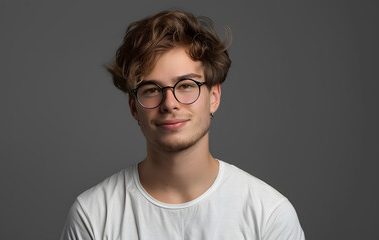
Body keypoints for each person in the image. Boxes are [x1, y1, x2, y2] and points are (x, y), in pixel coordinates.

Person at [60, 10, 305, 240]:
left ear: (214, 97)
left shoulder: (269, 215)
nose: (170, 103)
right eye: (152, 89)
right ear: (133, 107)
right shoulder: (92, 215)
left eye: (186, 85)